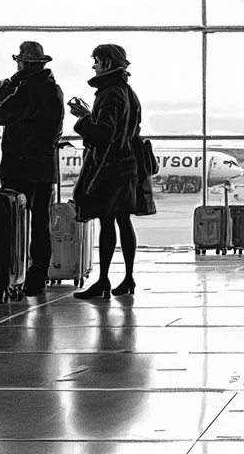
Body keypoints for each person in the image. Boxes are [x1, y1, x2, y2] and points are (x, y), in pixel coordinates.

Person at [0, 42, 65, 297]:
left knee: (15, 222)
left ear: (23, 64)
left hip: (20, 166)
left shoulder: (27, 91)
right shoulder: (54, 90)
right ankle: (39, 274)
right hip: (45, 168)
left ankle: (15, 272)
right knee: (41, 223)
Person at [71, 44, 146, 300]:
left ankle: (103, 280)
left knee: (106, 222)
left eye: (96, 61)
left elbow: (105, 133)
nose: (94, 65)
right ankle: (127, 278)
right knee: (124, 222)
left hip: (109, 168)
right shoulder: (127, 91)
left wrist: (83, 117)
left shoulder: (110, 93)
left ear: (107, 63)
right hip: (127, 165)